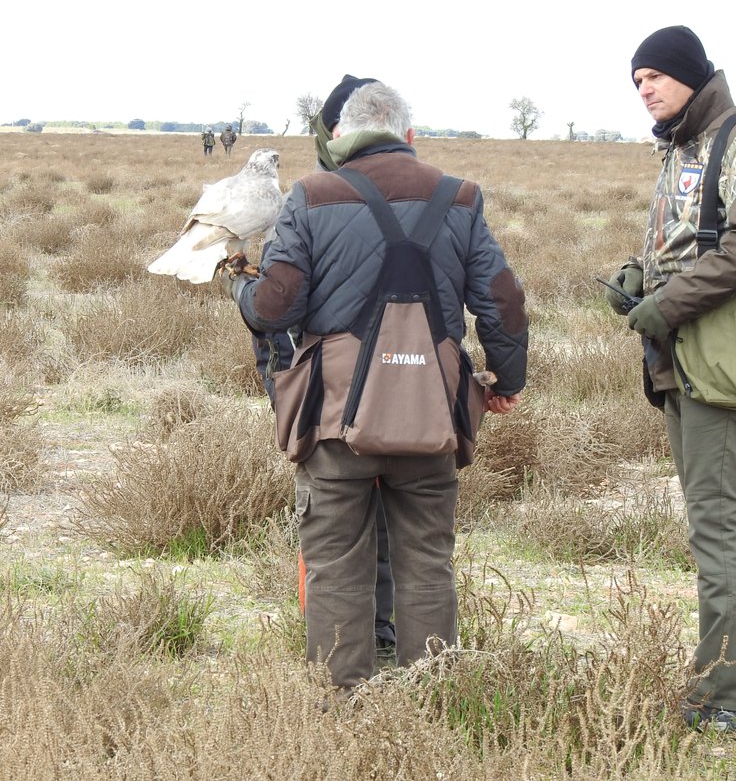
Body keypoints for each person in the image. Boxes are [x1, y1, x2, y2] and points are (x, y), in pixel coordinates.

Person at [226, 80, 528, 692]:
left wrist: (236, 284)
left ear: (339, 136)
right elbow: (503, 301)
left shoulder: (310, 196)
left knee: (335, 564)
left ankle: (342, 712)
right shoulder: (460, 197)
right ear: (409, 137)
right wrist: (505, 378)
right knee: (427, 560)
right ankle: (432, 702)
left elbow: (275, 308)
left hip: (334, 422)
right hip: (433, 416)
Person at [606, 26, 736, 732]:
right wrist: (639, 277)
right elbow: (693, 238)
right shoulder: (682, 147)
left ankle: (717, 700)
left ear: (691, 74)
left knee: (717, 531)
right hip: (682, 357)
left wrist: (667, 301)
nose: (645, 89)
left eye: (654, 75)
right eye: (636, 81)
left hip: (722, 360)